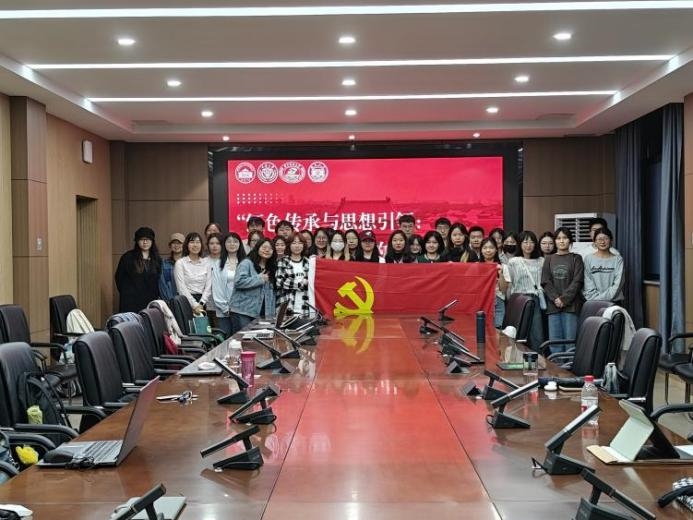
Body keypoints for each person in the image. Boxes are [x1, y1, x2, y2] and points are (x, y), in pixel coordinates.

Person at [541, 227, 584, 353]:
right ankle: (556, 365)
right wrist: (556, 298)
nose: (561, 241)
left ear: (570, 241)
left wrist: (564, 299)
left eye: (565, 238)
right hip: (553, 306)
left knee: (570, 342)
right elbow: (545, 281)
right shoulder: (549, 258)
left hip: (571, 306)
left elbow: (578, 281)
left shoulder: (576, 258)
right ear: (555, 241)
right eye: (558, 238)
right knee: (555, 342)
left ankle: (569, 365)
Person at [507, 231, 545, 350]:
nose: (528, 245)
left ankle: (538, 358)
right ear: (520, 244)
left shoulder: (541, 261)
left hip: (534, 299)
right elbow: (511, 282)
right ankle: (517, 357)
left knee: (537, 334)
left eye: (531, 242)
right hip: (519, 298)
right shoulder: (513, 261)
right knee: (518, 332)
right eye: (525, 242)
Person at [229, 238, 277, 331]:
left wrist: (271, 314)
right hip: (243, 311)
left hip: (262, 314)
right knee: (243, 338)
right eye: (264, 247)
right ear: (257, 248)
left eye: (270, 248)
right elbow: (238, 282)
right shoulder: (247, 263)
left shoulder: (271, 268)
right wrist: (260, 279)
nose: (267, 250)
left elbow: (272, 294)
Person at [115, 227, 162, 312]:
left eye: (148, 239)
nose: (145, 242)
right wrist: (127, 293)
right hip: (130, 302)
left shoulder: (157, 259)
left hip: (150, 301)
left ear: (152, 241)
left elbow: (159, 280)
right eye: (142, 239)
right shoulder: (127, 257)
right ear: (137, 241)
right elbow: (119, 277)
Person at [210, 232, 247, 336]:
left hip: (243, 310)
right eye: (229, 241)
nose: (232, 244)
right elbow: (216, 288)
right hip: (224, 310)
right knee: (226, 338)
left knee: (242, 338)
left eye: (235, 241)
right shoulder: (218, 264)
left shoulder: (247, 263)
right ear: (224, 244)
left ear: (240, 244)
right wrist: (225, 308)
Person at [173, 232, 212, 315]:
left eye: (198, 242)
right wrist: (194, 305)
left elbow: (209, 286)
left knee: (202, 323)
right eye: (192, 242)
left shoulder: (207, 263)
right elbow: (181, 288)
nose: (195, 245)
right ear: (187, 245)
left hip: (202, 302)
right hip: (185, 301)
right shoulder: (180, 263)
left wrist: (201, 303)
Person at [583, 228, 624, 303]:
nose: (602, 242)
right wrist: (596, 299)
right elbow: (587, 282)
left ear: (611, 240)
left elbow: (618, 284)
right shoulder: (588, 259)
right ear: (595, 242)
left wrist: (599, 298)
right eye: (599, 239)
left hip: (614, 302)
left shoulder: (618, 259)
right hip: (593, 302)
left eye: (606, 238)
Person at [275, 233, 311, 315]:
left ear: (304, 245)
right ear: (289, 245)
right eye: (294, 243)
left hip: (305, 308)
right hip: (286, 307)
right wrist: (300, 284)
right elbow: (280, 282)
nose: (297, 246)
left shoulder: (308, 262)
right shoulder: (283, 261)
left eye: (300, 243)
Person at [479, 238, 510, 328]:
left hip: (498, 302)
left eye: (491, 247)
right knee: (481, 329)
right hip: (481, 301)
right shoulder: (476, 266)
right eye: (485, 248)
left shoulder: (503, 267)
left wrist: (500, 274)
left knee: (497, 330)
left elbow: (503, 290)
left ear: (496, 249)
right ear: (481, 250)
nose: (488, 250)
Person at [159, 232, 184, 302]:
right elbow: (162, 284)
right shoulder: (164, 263)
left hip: (187, 301)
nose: (176, 245)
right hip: (169, 301)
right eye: (174, 243)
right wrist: (170, 301)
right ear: (170, 245)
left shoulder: (187, 262)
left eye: (179, 243)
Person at [205, 233, 224, 326]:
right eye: (211, 243)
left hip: (223, 303)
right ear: (208, 245)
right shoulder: (203, 261)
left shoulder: (227, 261)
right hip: (207, 302)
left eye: (218, 243)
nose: (214, 246)